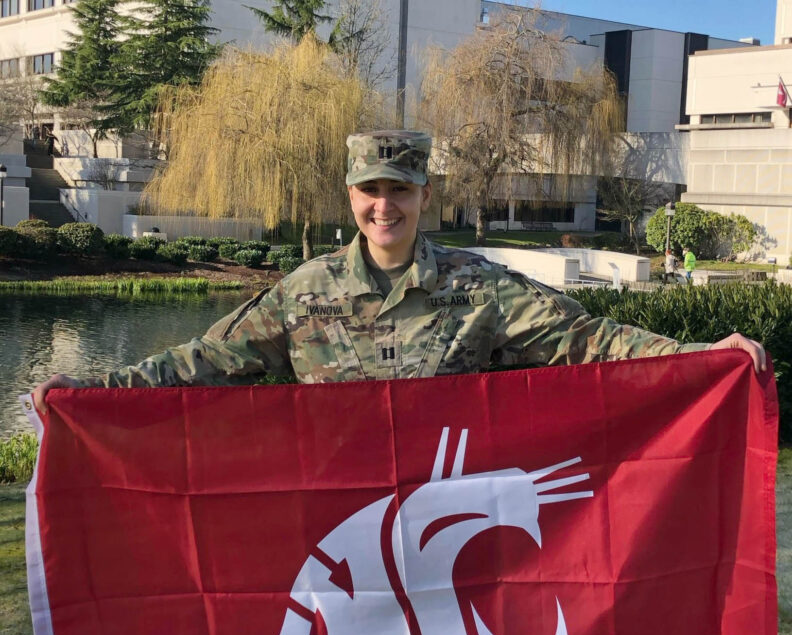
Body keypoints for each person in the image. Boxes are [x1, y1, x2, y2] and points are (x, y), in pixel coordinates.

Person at [33, 130, 765, 412]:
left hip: (446, 531)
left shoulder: (479, 290)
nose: (385, 206)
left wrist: (703, 357)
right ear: (352, 196)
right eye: (370, 190)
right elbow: (204, 362)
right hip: (332, 530)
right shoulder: (305, 294)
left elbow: (589, 340)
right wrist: (92, 391)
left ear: (424, 195)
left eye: (400, 190)